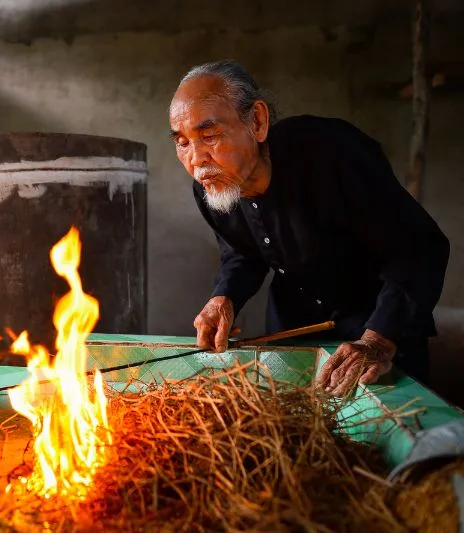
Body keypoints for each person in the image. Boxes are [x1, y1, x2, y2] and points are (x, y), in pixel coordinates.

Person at [168, 59, 450, 397]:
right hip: (295, 331)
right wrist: (223, 297)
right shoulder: (209, 186)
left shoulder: (334, 153)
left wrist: (378, 339)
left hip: (379, 326)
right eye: (182, 142)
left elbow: (419, 247)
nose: (196, 158)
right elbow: (242, 251)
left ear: (257, 122)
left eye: (209, 135)